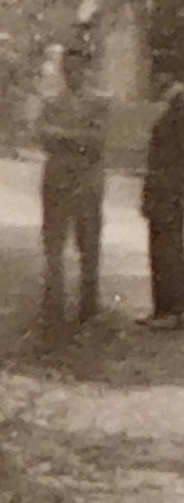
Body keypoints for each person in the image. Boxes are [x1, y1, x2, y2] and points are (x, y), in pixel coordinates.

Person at [35, 41, 111, 332]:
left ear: (87, 70)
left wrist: (64, 136)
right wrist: (75, 137)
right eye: (67, 69)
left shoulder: (100, 102)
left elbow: (98, 139)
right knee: (53, 241)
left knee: (88, 243)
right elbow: (42, 134)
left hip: (86, 181)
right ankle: (52, 301)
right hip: (57, 179)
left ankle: (89, 304)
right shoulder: (51, 101)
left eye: (77, 69)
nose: (72, 75)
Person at [138, 81, 184, 330]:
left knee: (166, 247)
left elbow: (170, 157)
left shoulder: (176, 117)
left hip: (167, 189)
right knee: (166, 245)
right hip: (169, 187)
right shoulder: (180, 116)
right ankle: (168, 307)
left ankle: (171, 307)